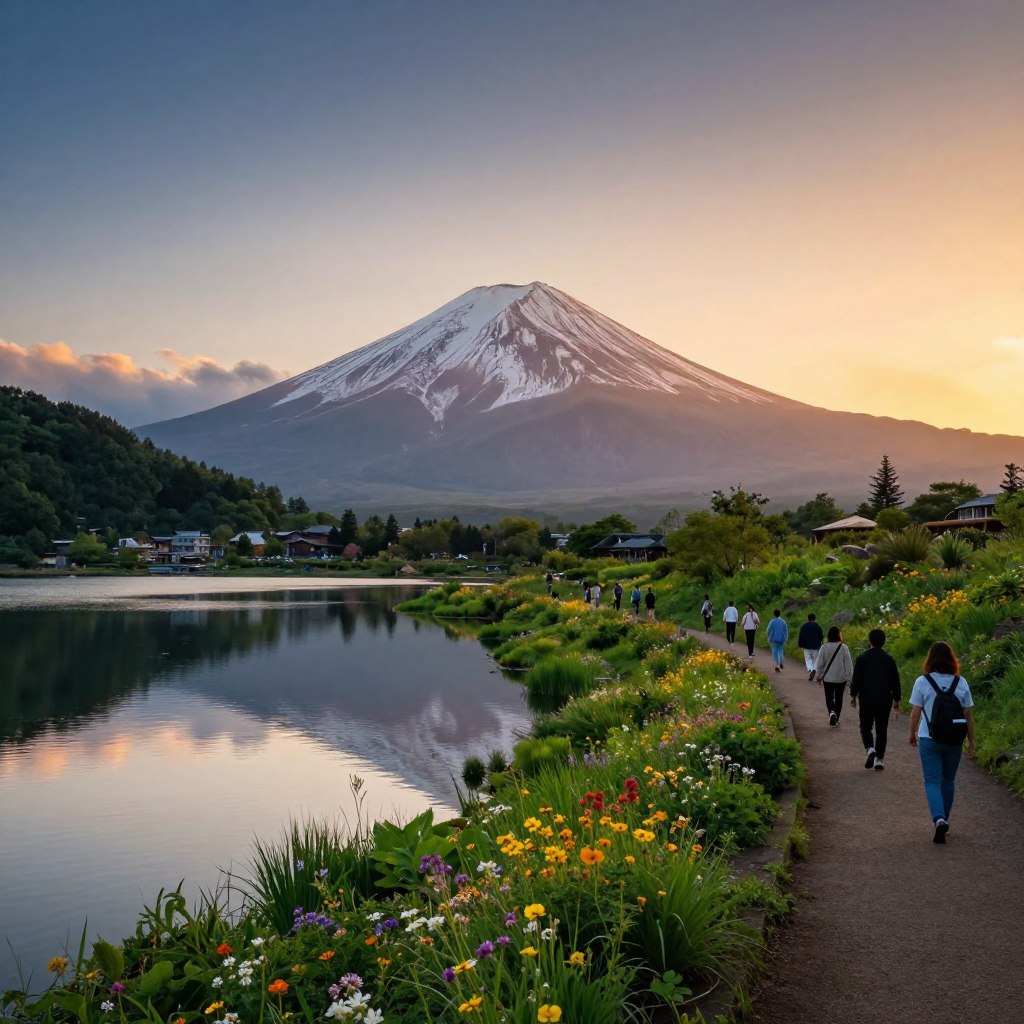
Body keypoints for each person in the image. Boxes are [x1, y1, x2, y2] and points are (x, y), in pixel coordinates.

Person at [908, 641, 975, 843]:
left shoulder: (922, 681)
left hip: (929, 738)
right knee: (948, 780)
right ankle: (944, 818)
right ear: (951, 659)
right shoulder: (960, 682)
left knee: (932, 780)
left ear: (930, 659)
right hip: (954, 739)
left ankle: (938, 820)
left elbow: (915, 711)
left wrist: (912, 734)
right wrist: (971, 741)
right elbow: (968, 714)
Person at [850, 628, 901, 770]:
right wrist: (896, 700)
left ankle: (870, 749)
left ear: (870, 641)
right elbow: (895, 682)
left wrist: (853, 695)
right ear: (883, 642)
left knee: (865, 727)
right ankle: (879, 760)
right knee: (881, 729)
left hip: (866, 698)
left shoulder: (862, 659)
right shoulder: (889, 659)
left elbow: (857, 680)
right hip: (884, 700)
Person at [815, 626, 853, 728]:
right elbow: (848, 664)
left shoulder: (824, 647)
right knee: (839, 698)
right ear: (838, 635)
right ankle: (836, 719)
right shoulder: (844, 647)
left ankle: (832, 712)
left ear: (829, 636)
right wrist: (850, 678)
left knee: (829, 697)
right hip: (841, 678)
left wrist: (818, 676)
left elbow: (819, 664)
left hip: (828, 678)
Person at [798, 613, 824, 681]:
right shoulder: (817, 626)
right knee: (815, 659)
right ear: (815, 618)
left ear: (808, 618)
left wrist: (800, 644)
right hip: (815, 646)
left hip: (806, 646)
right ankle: (814, 669)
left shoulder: (804, 626)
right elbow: (821, 636)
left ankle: (810, 669)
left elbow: (801, 636)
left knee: (808, 659)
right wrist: (820, 643)